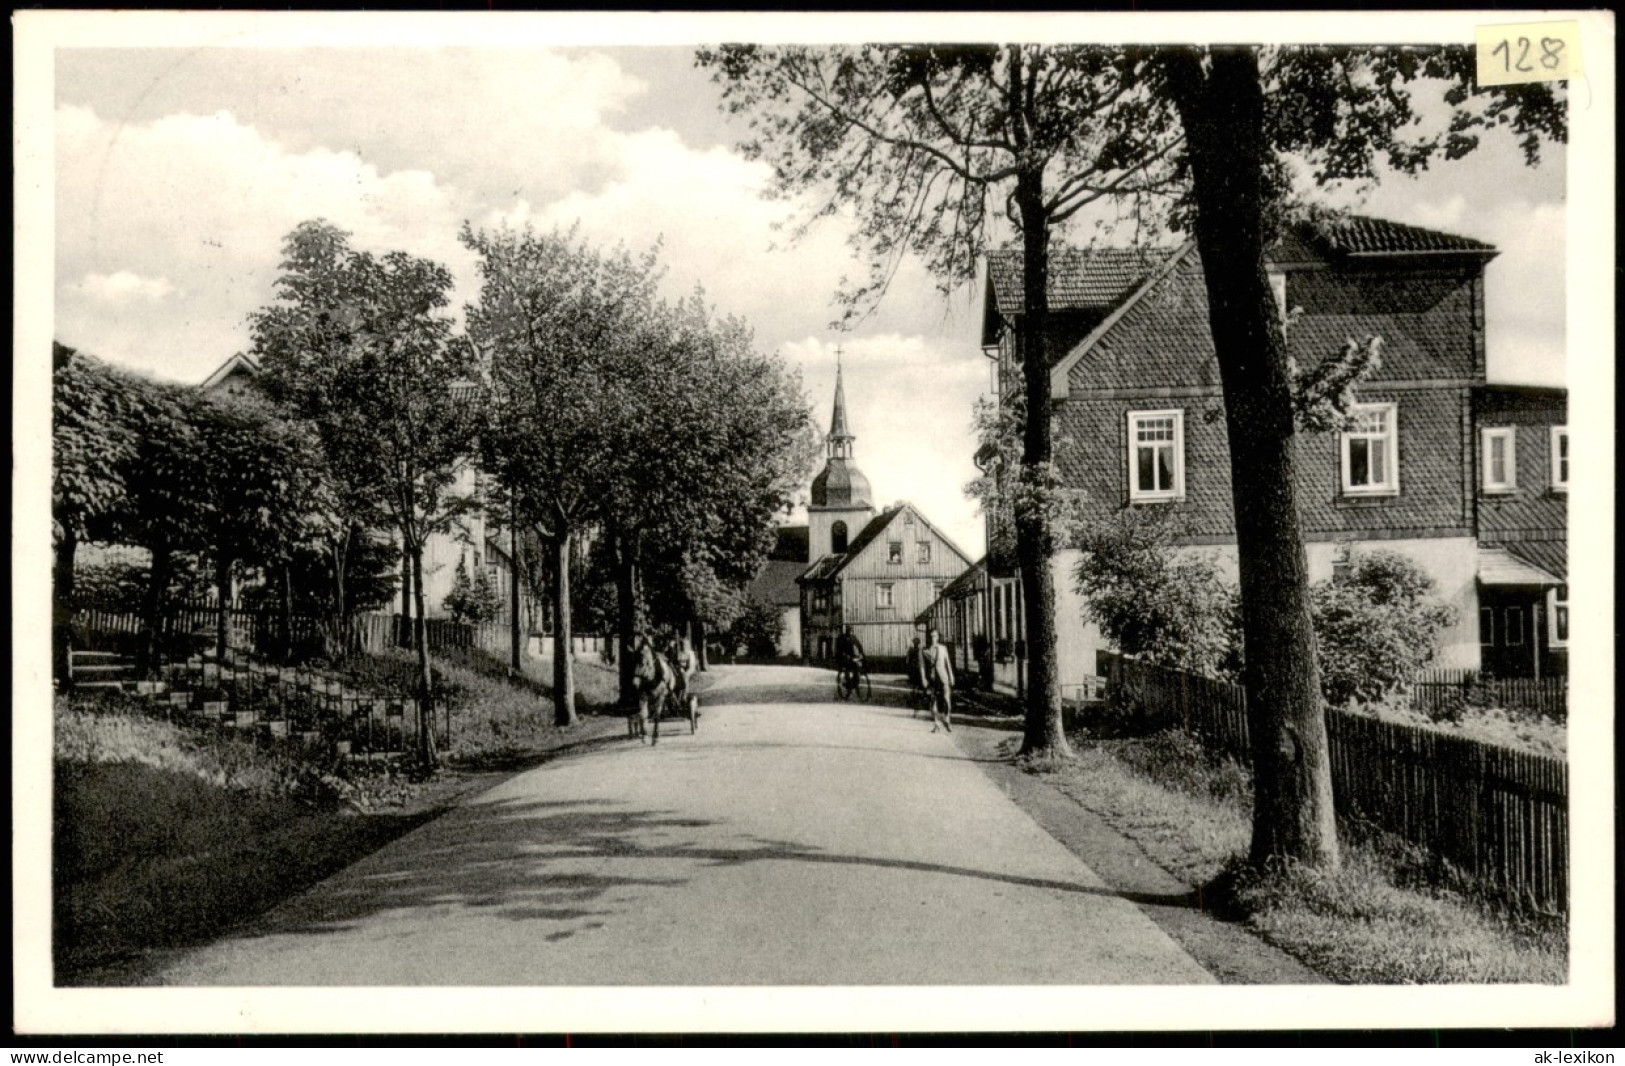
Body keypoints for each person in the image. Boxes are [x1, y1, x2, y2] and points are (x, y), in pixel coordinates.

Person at [920, 626, 955, 733]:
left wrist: (951, 676)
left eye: (934, 636)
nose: (932, 638)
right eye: (931, 636)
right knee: (933, 701)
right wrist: (923, 679)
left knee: (946, 699)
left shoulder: (943, 648)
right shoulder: (924, 650)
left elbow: (947, 663)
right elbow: (922, 666)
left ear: (938, 637)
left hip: (944, 677)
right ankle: (936, 724)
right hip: (932, 678)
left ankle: (947, 719)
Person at [834, 625, 865, 692]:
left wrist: (861, 653)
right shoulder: (842, 638)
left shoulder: (853, 637)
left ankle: (855, 683)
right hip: (842, 656)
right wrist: (843, 655)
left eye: (850, 630)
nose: (849, 632)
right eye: (848, 630)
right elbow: (839, 649)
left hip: (851, 656)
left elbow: (859, 645)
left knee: (856, 667)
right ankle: (847, 683)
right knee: (847, 667)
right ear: (846, 631)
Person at [904, 636, 925, 715]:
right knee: (918, 686)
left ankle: (915, 696)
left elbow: (907, 660)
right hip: (917, 670)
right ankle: (918, 696)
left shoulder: (911, 650)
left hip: (913, 670)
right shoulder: (920, 650)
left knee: (915, 686)